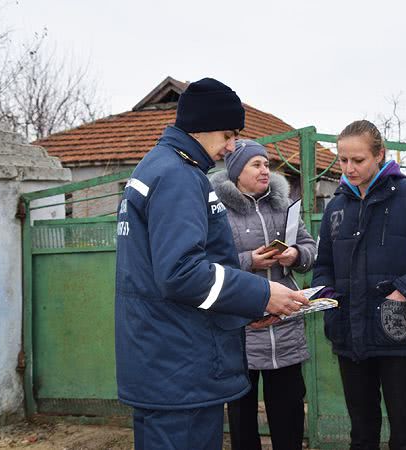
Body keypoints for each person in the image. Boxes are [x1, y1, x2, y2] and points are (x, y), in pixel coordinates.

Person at [114, 78, 306, 450]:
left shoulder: (161, 168)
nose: (231, 146)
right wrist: (262, 293)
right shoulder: (177, 177)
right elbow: (181, 273)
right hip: (180, 363)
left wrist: (245, 308)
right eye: (228, 134)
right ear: (201, 126)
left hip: (167, 356)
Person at [312, 120, 406, 450]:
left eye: (358, 160)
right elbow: (324, 265)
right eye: (343, 159)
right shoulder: (336, 207)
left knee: (405, 436)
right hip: (350, 336)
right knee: (361, 435)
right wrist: (326, 298)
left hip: (400, 336)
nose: (349, 168)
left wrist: (405, 292)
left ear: (380, 154)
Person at [210, 139, 316, 450]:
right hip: (242, 330)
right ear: (236, 172)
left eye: (267, 164)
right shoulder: (218, 212)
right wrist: (249, 261)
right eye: (256, 164)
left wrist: (294, 255)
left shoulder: (282, 206)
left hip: (285, 327)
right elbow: (209, 265)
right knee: (242, 418)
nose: (264, 170)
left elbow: (311, 248)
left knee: (290, 414)